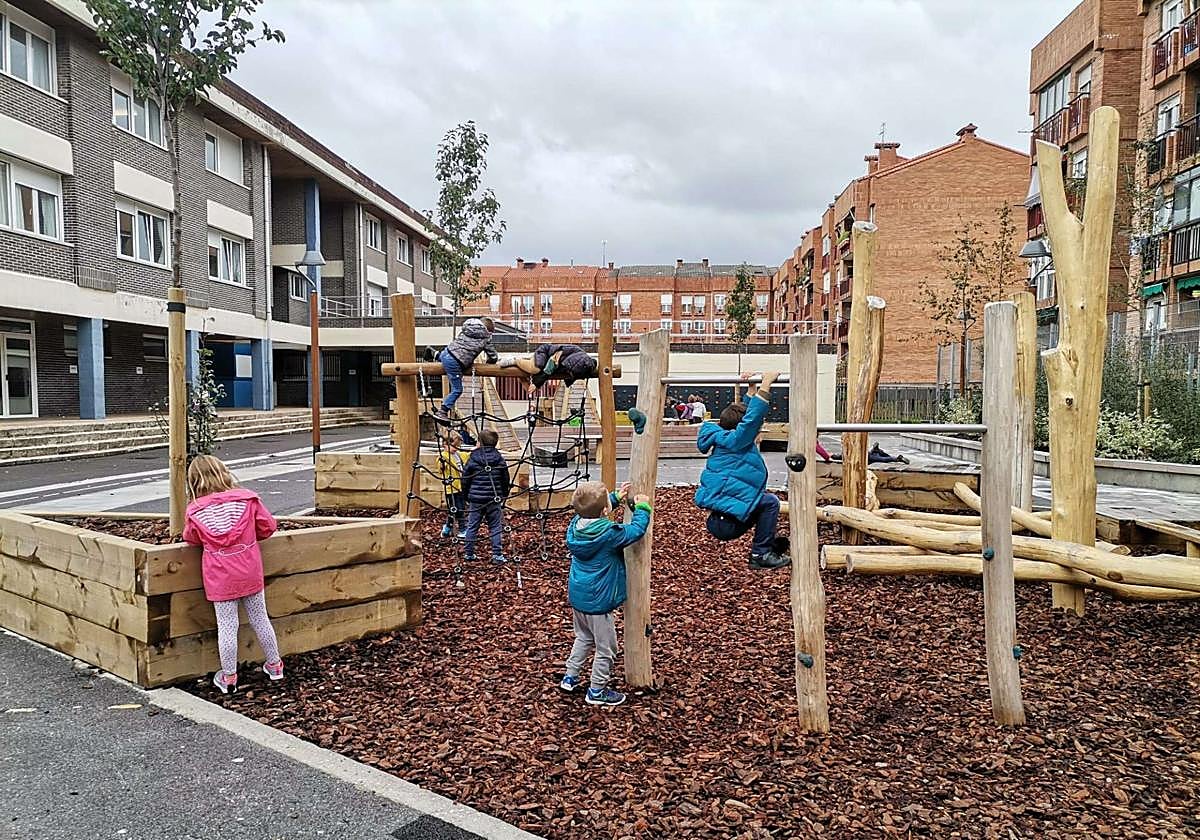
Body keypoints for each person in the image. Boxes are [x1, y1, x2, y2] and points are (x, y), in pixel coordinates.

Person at [182, 455, 283, 694]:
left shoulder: (195, 510)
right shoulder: (248, 500)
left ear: (194, 481)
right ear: (224, 473)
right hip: (249, 570)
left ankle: (228, 677)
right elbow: (268, 527)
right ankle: (275, 665)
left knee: (227, 625)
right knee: (260, 618)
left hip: (220, 577)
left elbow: (190, 538)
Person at [559, 480, 652, 708]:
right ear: (604, 512)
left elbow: (592, 511)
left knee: (583, 637)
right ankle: (597, 690)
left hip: (579, 596)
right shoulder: (609, 535)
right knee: (606, 647)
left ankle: (570, 677)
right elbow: (634, 531)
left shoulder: (575, 526)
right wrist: (642, 508)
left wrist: (613, 498)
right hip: (598, 602)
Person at [694, 371, 789, 570]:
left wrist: (751, 389)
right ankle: (760, 554)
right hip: (727, 523)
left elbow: (743, 418)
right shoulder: (737, 441)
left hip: (722, 518)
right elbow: (751, 419)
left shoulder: (726, 438)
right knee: (770, 503)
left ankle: (768, 545)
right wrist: (766, 385)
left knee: (762, 504)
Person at [433, 317, 498, 424]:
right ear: (488, 331)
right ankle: (442, 411)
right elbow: (493, 356)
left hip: (447, 352)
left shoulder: (467, 329)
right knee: (457, 389)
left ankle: (435, 354)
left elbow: (460, 347)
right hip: (455, 362)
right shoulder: (485, 337)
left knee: (446, 358)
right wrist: (489, 364)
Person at [460, 429, 510, 564]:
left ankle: (469, 553)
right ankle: (497, 554)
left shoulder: (473, 458)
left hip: (476, 499)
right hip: (493, 499)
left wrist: (466, 495)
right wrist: (504, 494)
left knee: (472, 525)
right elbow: (505, 478)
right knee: (495, 526)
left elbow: (465, 478)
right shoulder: (499, 458)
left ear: (479, 442)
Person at [500, 343, 599, 396]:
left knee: (530, 389)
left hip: (548, 363)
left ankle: (521, 377)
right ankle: (515, 360)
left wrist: (535, 385)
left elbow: (575, 374)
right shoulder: (573, 358)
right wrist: (536, 383)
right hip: (546, 353)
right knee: (535, 369)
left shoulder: (584, 365)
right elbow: (550, 365)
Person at [438, 431, 467, 539]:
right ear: (445, 444)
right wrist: (442, 464)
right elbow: (440, 468)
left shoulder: (457, 455)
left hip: (460, 487)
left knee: (454, 509)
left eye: (458, 446)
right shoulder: (444, 456)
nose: (456, 448)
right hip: (451, 489)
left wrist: (477, 449)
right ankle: (463, 529)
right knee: (458, 509)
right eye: (454, 446)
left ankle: (447, 528)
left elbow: (467, 455)